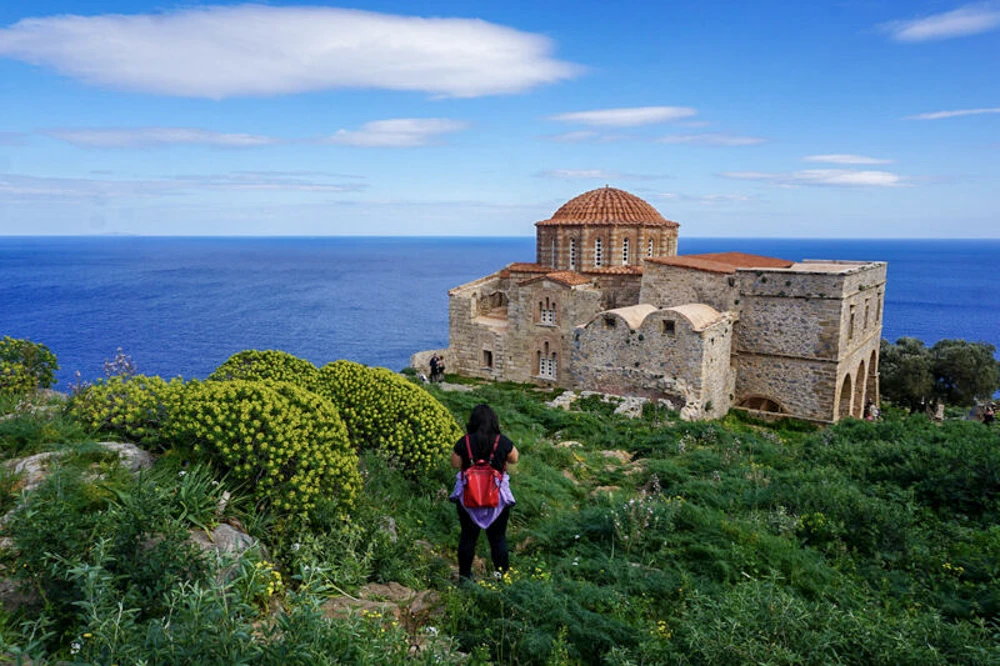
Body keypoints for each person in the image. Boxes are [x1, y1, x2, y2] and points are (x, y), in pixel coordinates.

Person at [450, 403, 519, 581]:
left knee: (468, 537)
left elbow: (455, 464)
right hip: (497, 497)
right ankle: (502, 577)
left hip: (469, 497)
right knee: (498, 539)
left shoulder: (464, 441)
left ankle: (465, 578)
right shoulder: (501, 441)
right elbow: (514, 458)